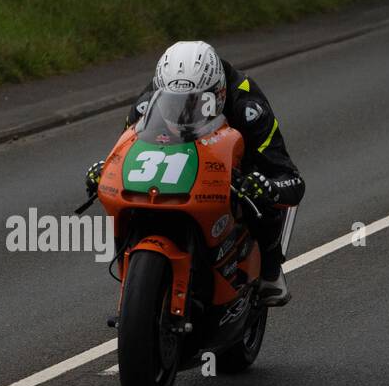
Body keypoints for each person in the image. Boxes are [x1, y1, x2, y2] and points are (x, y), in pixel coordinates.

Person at [86, 40, 305, 306]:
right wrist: (108, 168)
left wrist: (266, 186)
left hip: (235, 171)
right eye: (172, 103)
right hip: (177, 166)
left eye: (196, 102)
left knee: (261, 195)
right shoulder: (148, 100)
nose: (182, 111)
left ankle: (271, 270)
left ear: (219, 92)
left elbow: (288, 177)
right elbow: (128, 147)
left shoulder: (248, 106)